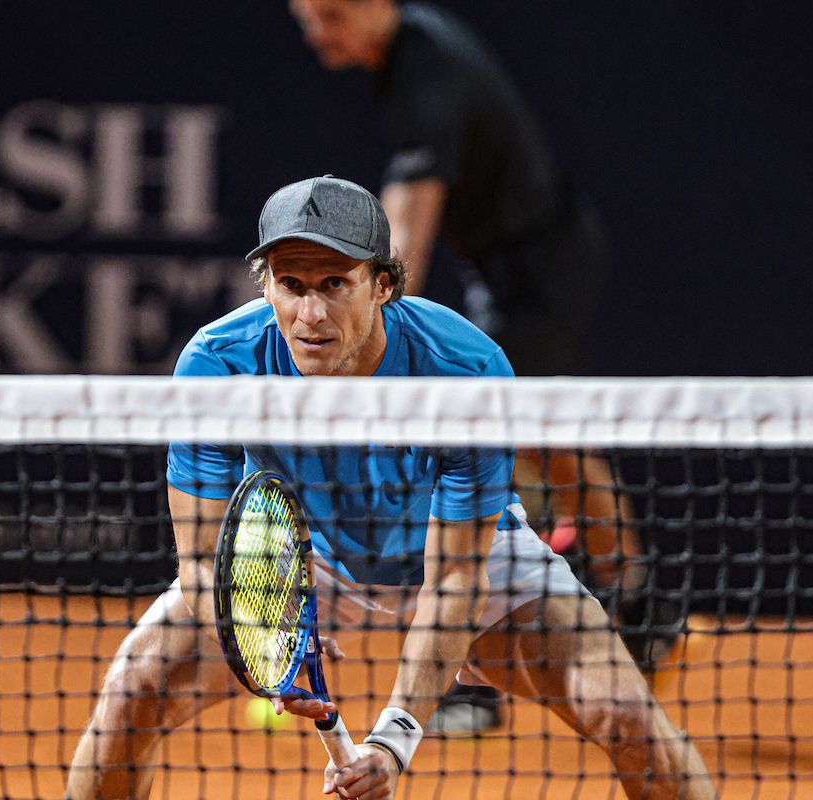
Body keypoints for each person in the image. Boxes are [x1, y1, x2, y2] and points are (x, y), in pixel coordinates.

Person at [66, 176, 713, 800]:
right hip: (303, 556)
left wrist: (392, 741)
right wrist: (262, 636)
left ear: (382, 286)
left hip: (464, 554)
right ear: (265, 287)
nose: (311, 314)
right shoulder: (217, 366)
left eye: (334, 285)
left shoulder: (464, 371)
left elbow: (459, 579)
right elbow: (204, 561)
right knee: (131, 693)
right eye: (291, 286)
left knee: (630, 718)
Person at [287, 0, 674, 731]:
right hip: (517, 263)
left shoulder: (429, 79)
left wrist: (367, 340)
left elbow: (405, 241)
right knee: (550, 441)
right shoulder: (404, 58)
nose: (317, 32)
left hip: (537, 270)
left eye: (332, 15)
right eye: (307, 16)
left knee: (488, 445)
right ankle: (643, 603)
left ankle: (472, 682)